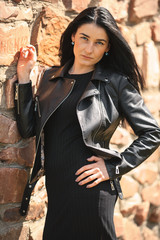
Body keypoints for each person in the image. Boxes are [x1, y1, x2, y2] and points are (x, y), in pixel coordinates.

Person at [15, 6, 160, 240]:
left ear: (108, 47)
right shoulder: (51, 78)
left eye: (99, 43)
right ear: (73, 36)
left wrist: (113, 167)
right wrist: (23, 79)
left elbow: (152, 133)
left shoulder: (116, 83)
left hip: (93, 190)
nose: (89, 49)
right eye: (84, 38)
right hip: (58, 191)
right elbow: (28, 129)